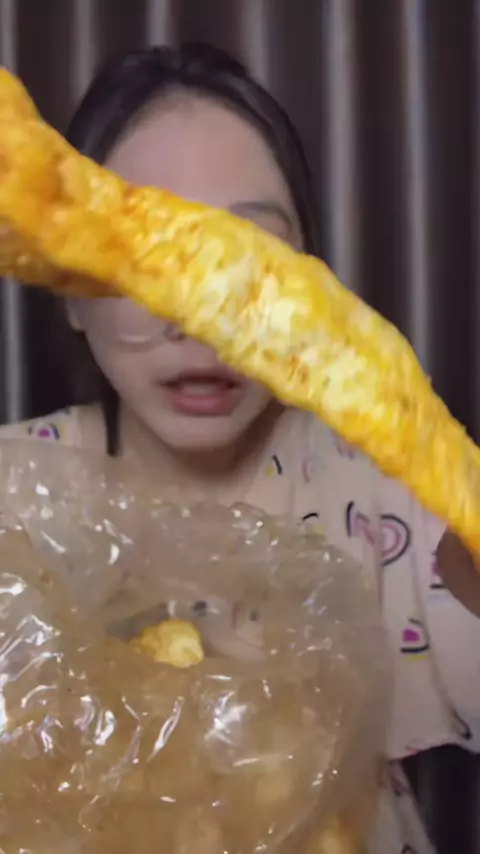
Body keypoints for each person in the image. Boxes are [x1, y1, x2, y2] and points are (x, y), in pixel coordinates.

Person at [2, 42, 480, 853]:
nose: (202, 319)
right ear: (71, 293)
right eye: (148, 261)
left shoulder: (385, 496)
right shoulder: (14, 492)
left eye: (250, 260)